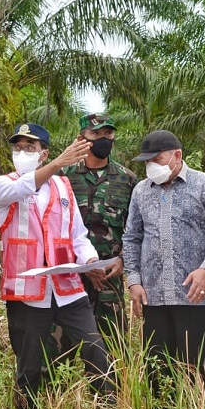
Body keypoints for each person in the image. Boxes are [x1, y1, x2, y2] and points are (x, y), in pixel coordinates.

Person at [0, 123, 114, 409]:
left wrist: (89, 261)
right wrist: (60, 163)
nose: (22, 153)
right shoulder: (3, 184)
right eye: (18, 148)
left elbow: (77, 235)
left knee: (94, 348)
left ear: (43, 154)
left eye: (30, 148)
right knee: (30, 360)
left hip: (67, 286)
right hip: (28, 291)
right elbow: (24, 187)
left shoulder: (63, 187)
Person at [122, 130, 205, 397]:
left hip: (195, 295)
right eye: (147, 162)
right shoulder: (141, 191)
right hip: (154, 295)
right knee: (158, 369)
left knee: (199, 368)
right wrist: (133, 281)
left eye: (157, 160)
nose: (152, 167)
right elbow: (131, 237)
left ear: (177, 156)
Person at [58, 113, 137, 350]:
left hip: (109, 275)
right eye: (96, 134)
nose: (104, 138)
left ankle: (111, 388)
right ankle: (64, 388)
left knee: (113, 346)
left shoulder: (127, 179)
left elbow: (134, 228)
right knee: (62, 347)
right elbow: (54, 228)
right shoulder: (63, 177)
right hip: (70, 273)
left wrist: (123, 260)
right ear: (81, 138)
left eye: (108, 133)